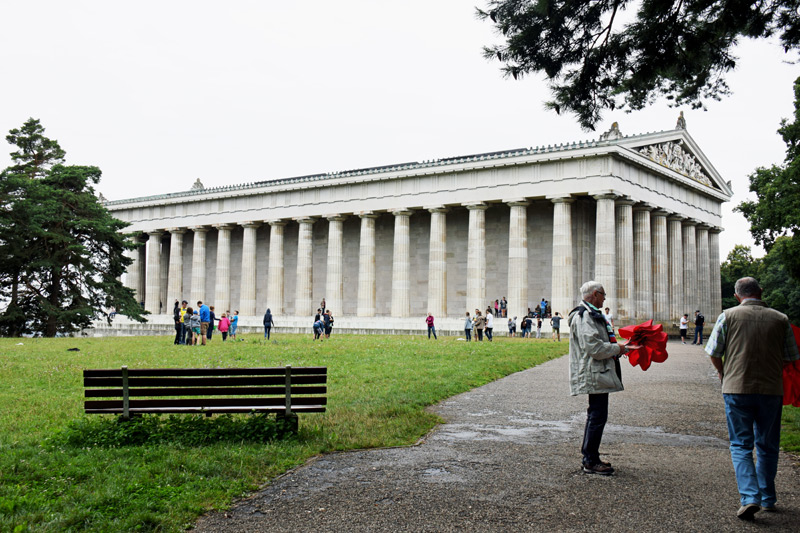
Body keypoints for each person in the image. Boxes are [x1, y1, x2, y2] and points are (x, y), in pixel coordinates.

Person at [704, 277, 800, 520]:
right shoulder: (781, 319)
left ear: (738, 296)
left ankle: (749, 497)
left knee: (740, 444)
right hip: (770, 389)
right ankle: (767, 498)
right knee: (768, 445)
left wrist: (722, 371)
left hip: (736, 387)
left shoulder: (728, 316)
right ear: (761, 291)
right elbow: (790, 357)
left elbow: (714, 352)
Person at [569, 280, 638, 475]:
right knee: (597, 416)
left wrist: (621, 346)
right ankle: (590, 460)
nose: (605, 298)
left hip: (597, 370)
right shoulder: (585, 316)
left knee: (597, 414)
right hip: (594, 370)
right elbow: (594, 348)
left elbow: (600, 342)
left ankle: (591, 457)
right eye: (603, 294)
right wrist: (620, 348)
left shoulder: (591, 314)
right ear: (594, 294)